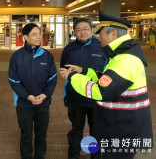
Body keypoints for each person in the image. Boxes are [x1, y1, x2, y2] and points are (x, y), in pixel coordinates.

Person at [60, 12, 153, 159]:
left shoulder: (124, 60)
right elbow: (106, 78)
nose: (99, 37)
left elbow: (101, 90)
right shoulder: (120, 54)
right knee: (77, 130)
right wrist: (83, 71)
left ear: (113, 34)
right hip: (119, 122)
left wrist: (72, 76)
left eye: (101, 33)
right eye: (78, 29)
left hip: (122, 127)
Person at [8, 23, 57, 159]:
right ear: (25, 37)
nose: (38, 37)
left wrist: (44, 95)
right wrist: (27, 96)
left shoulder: (47, 56)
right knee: (26, 134)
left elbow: (52, 79)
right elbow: (13, 81)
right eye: (34, 34)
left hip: (43, 103)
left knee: (41, 135)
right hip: (24, 104)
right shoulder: (17, 56)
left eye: (39, 33)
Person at [61, 17, 107, 159]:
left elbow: (107, 73)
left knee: (96, 131)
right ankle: (74, 155)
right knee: (76, 130)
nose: (82, 32)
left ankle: (96, 156)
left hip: (96, 99)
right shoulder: (69, 49)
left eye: (86, 29)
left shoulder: (102, 47)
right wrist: (66, 95)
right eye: (78, 30)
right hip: (76, 98)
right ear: (74, 31)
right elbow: (64, 71)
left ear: (92, 30)